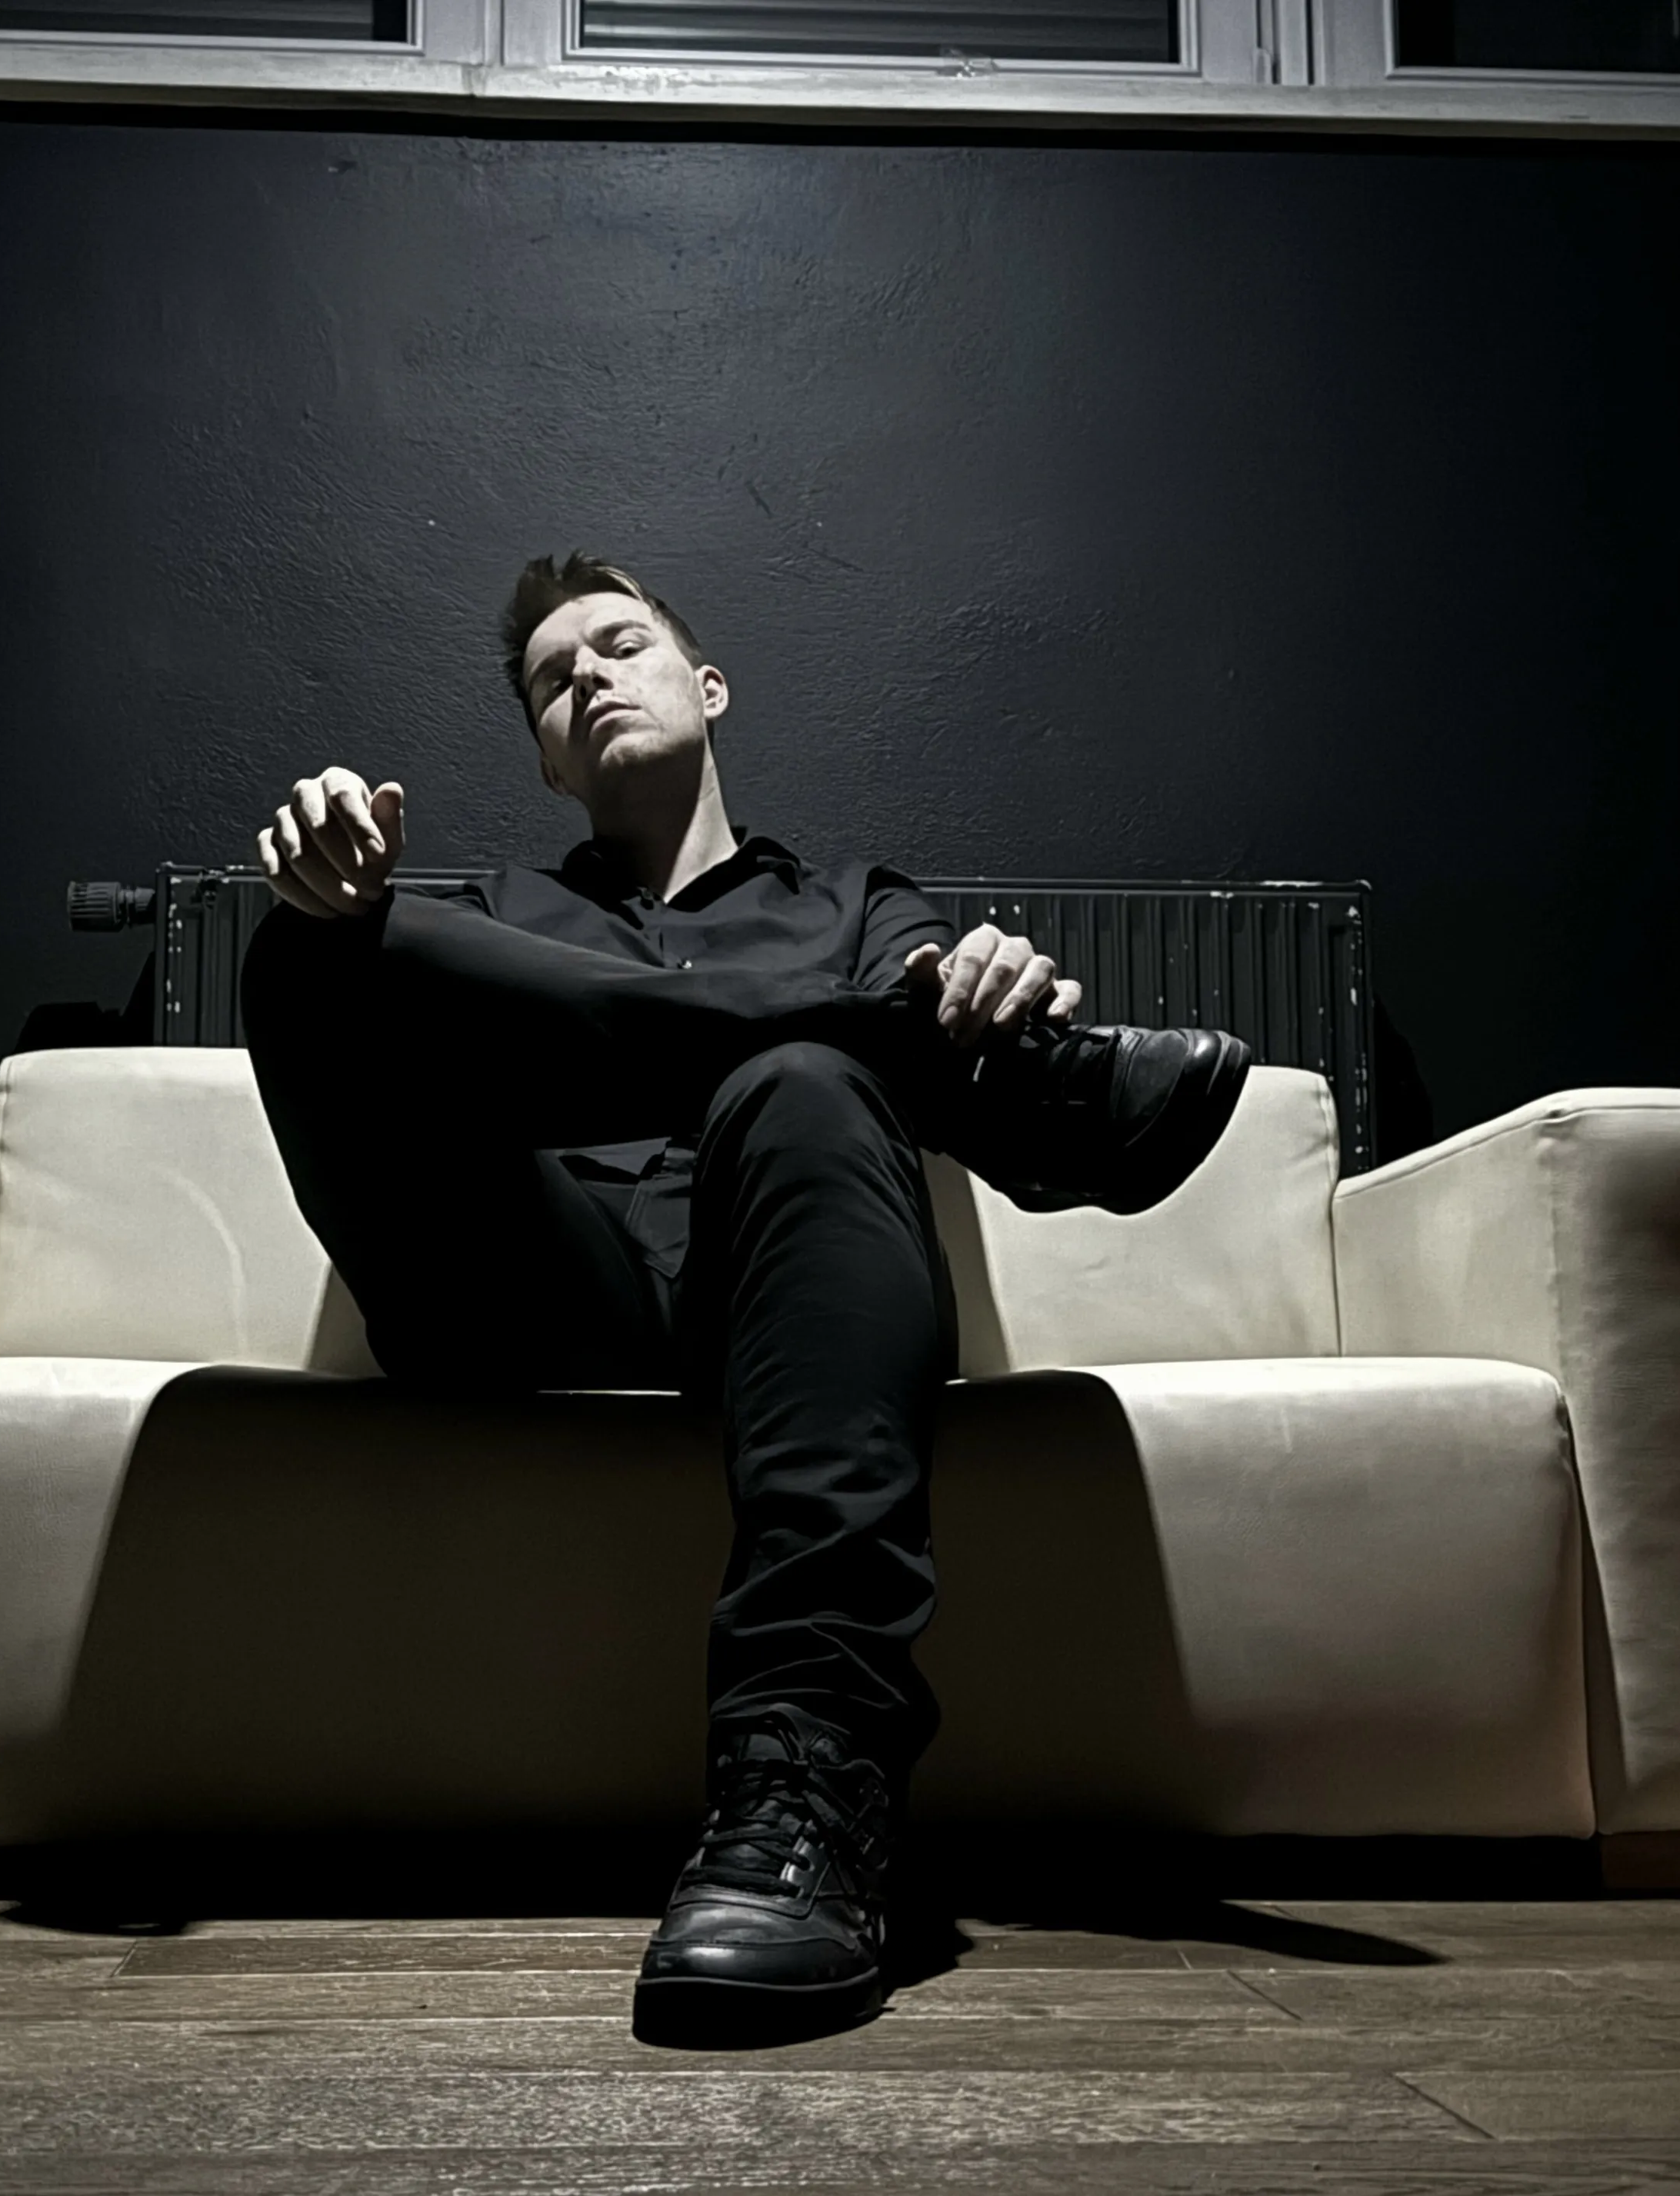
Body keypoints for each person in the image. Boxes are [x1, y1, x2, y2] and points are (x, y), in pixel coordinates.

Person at [239, 552, 1249, 2039]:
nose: (587, 675)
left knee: (808, 1081)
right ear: (545, 758)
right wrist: (328, 880)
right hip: (525, 1276)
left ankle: (804, 1799)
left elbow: (939, 987)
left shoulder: (858, 904)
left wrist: (989, 994)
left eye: (619, 643)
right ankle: (944, 1077)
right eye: (552, 680)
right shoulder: (492, 912)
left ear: (706, 688)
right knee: (318, 952)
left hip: (769, 1301)